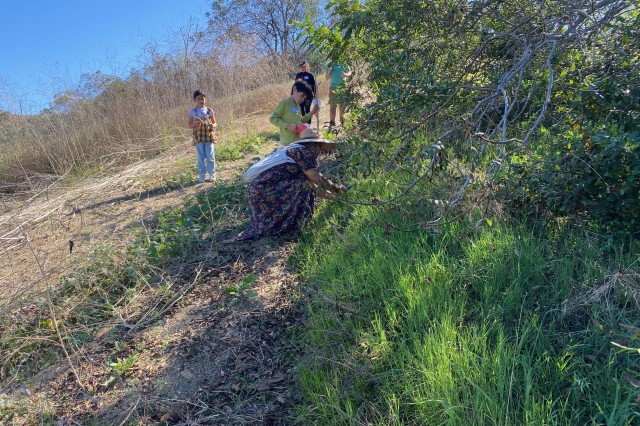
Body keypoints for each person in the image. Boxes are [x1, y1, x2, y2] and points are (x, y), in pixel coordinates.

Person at [236, 128, 348, 241]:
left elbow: (315, 187)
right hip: (265, 188)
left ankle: (285, 226)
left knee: (303, 184)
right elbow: (317, 178)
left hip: (259, 189)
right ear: (315, 145)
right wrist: (337, 188)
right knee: (302, 186)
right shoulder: (303, 152)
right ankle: (294, 226)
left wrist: (336, 198)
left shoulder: (295, 151)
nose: (320, 153)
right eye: (320, 147)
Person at [270, 80, 317, 146]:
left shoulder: (298, 106)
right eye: (302, 95)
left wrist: (311, 113)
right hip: (287, 143)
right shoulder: (285, 103)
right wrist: (287, 125)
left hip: (298, 141)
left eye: (304, 98)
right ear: (294, 89)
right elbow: (272, 118)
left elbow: (300, 121)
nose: (303, 99)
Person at [188, 90, 217, 183]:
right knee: (201, 157)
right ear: (195, 100)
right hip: (198, 137)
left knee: (210, 156)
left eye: (202, 98)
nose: (201, 100)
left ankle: (212, 174)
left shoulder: (209, 111)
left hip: (209, 136)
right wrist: (195, 123)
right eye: (198, 99)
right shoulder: (193, 112)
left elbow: (214, 122)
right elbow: (189, 125)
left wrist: (213, 125)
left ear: (205, 99)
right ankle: (202, 175)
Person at [325, 60, 352, 128]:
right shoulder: (329, 64)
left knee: (342, 104)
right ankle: (332, 121)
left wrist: (346, 75)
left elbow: (350, 72)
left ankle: (342, 120)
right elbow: (326, 78)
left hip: (342, 87)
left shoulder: (344, 62)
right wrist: (329, 72)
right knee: (332, 104)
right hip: (333, 87)